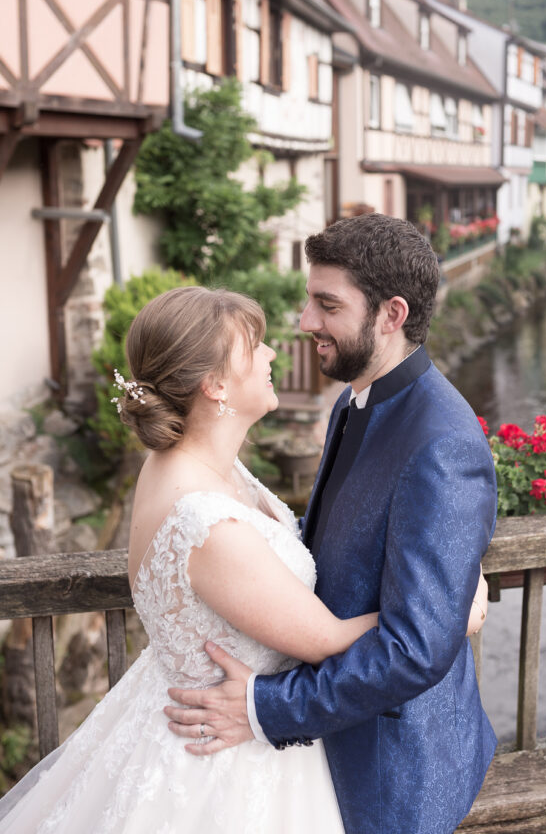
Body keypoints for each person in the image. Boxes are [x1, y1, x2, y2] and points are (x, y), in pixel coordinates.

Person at [0, 286, 382, 832]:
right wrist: (441, 612)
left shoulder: (196, 466)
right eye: (257, 346)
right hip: (221, 761)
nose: (275, 354)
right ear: (215, 384)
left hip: (210, 720)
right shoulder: (205, 520)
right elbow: (326, 640)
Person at [165, 214, 498, 834]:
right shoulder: (354, 399)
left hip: (390, 770)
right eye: (309, 299)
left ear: (391, 315)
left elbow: (414, 650)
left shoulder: (443, 446)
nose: (306, 320)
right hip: (334, 745)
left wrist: (266, 708)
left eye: (327, 304)